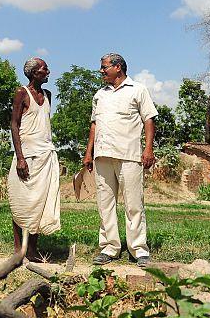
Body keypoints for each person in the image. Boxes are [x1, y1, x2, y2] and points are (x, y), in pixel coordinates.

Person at [82, 52, 157, 267]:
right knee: (105, 204)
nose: (101, 70)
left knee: (133, 204)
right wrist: (89, 152)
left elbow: (149, 120)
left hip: (129, 155)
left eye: (104, 67)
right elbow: (94, 125)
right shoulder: (100, 94)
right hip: (102, 156)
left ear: (118, 67)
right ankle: (109, 248)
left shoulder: (138, 90)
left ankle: (139, 250)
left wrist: (148, 150)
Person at [8, 56, 61, 262]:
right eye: (44, 69)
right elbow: (14, 124)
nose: (48, 72)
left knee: (39, 203)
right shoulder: (22, 92)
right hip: (27, 154)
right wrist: (20, 157)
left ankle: (31, 250)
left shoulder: (47, 94)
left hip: (45, 154)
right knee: (21, 201)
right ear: (33, 73)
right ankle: (18, 250)